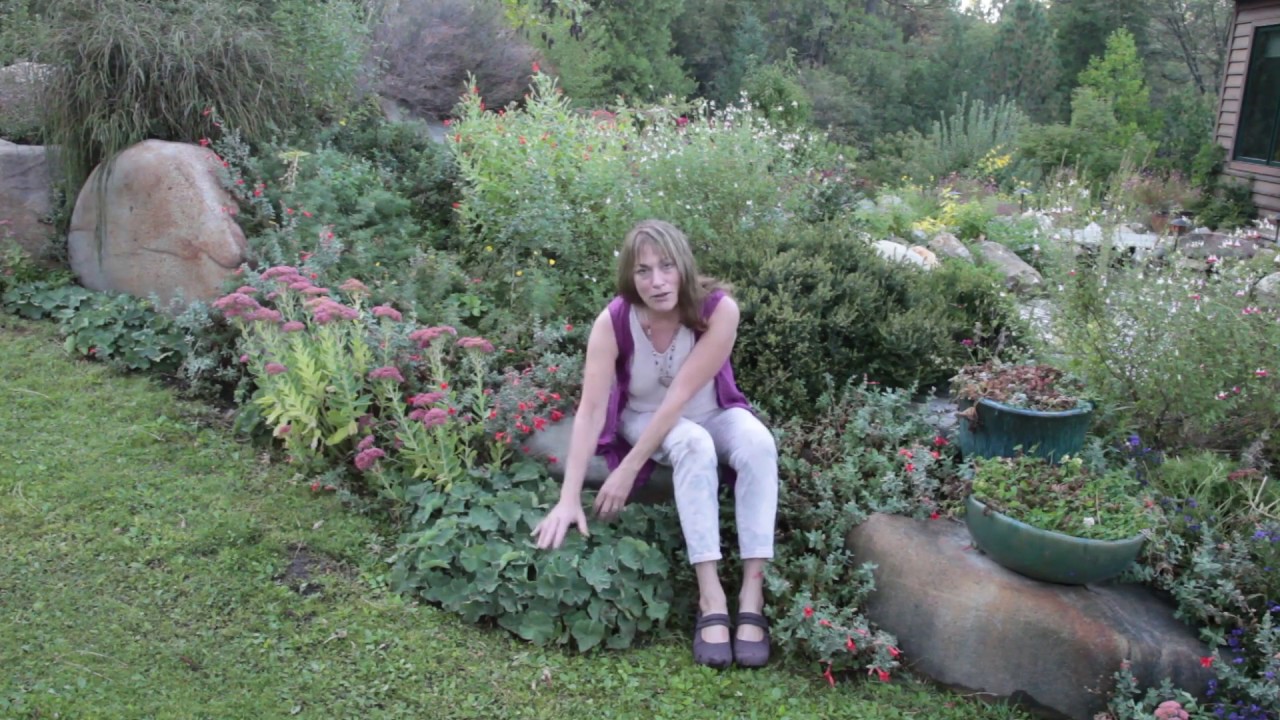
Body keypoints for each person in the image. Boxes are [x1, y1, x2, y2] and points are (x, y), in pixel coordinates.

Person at [531, 219, 779, 669]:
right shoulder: (614, 321)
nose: (657, 281)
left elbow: (683, 395)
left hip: (712, 409)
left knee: (759, 444)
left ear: (684, 266)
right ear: (630, 275)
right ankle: (711, 597)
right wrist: (568, 499)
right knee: (694, 446)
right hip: (643, 416)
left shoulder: (718, 311)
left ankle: (752, 595)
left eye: (666, 266)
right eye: (643, 270)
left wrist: (627, 470)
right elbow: (589, 410)